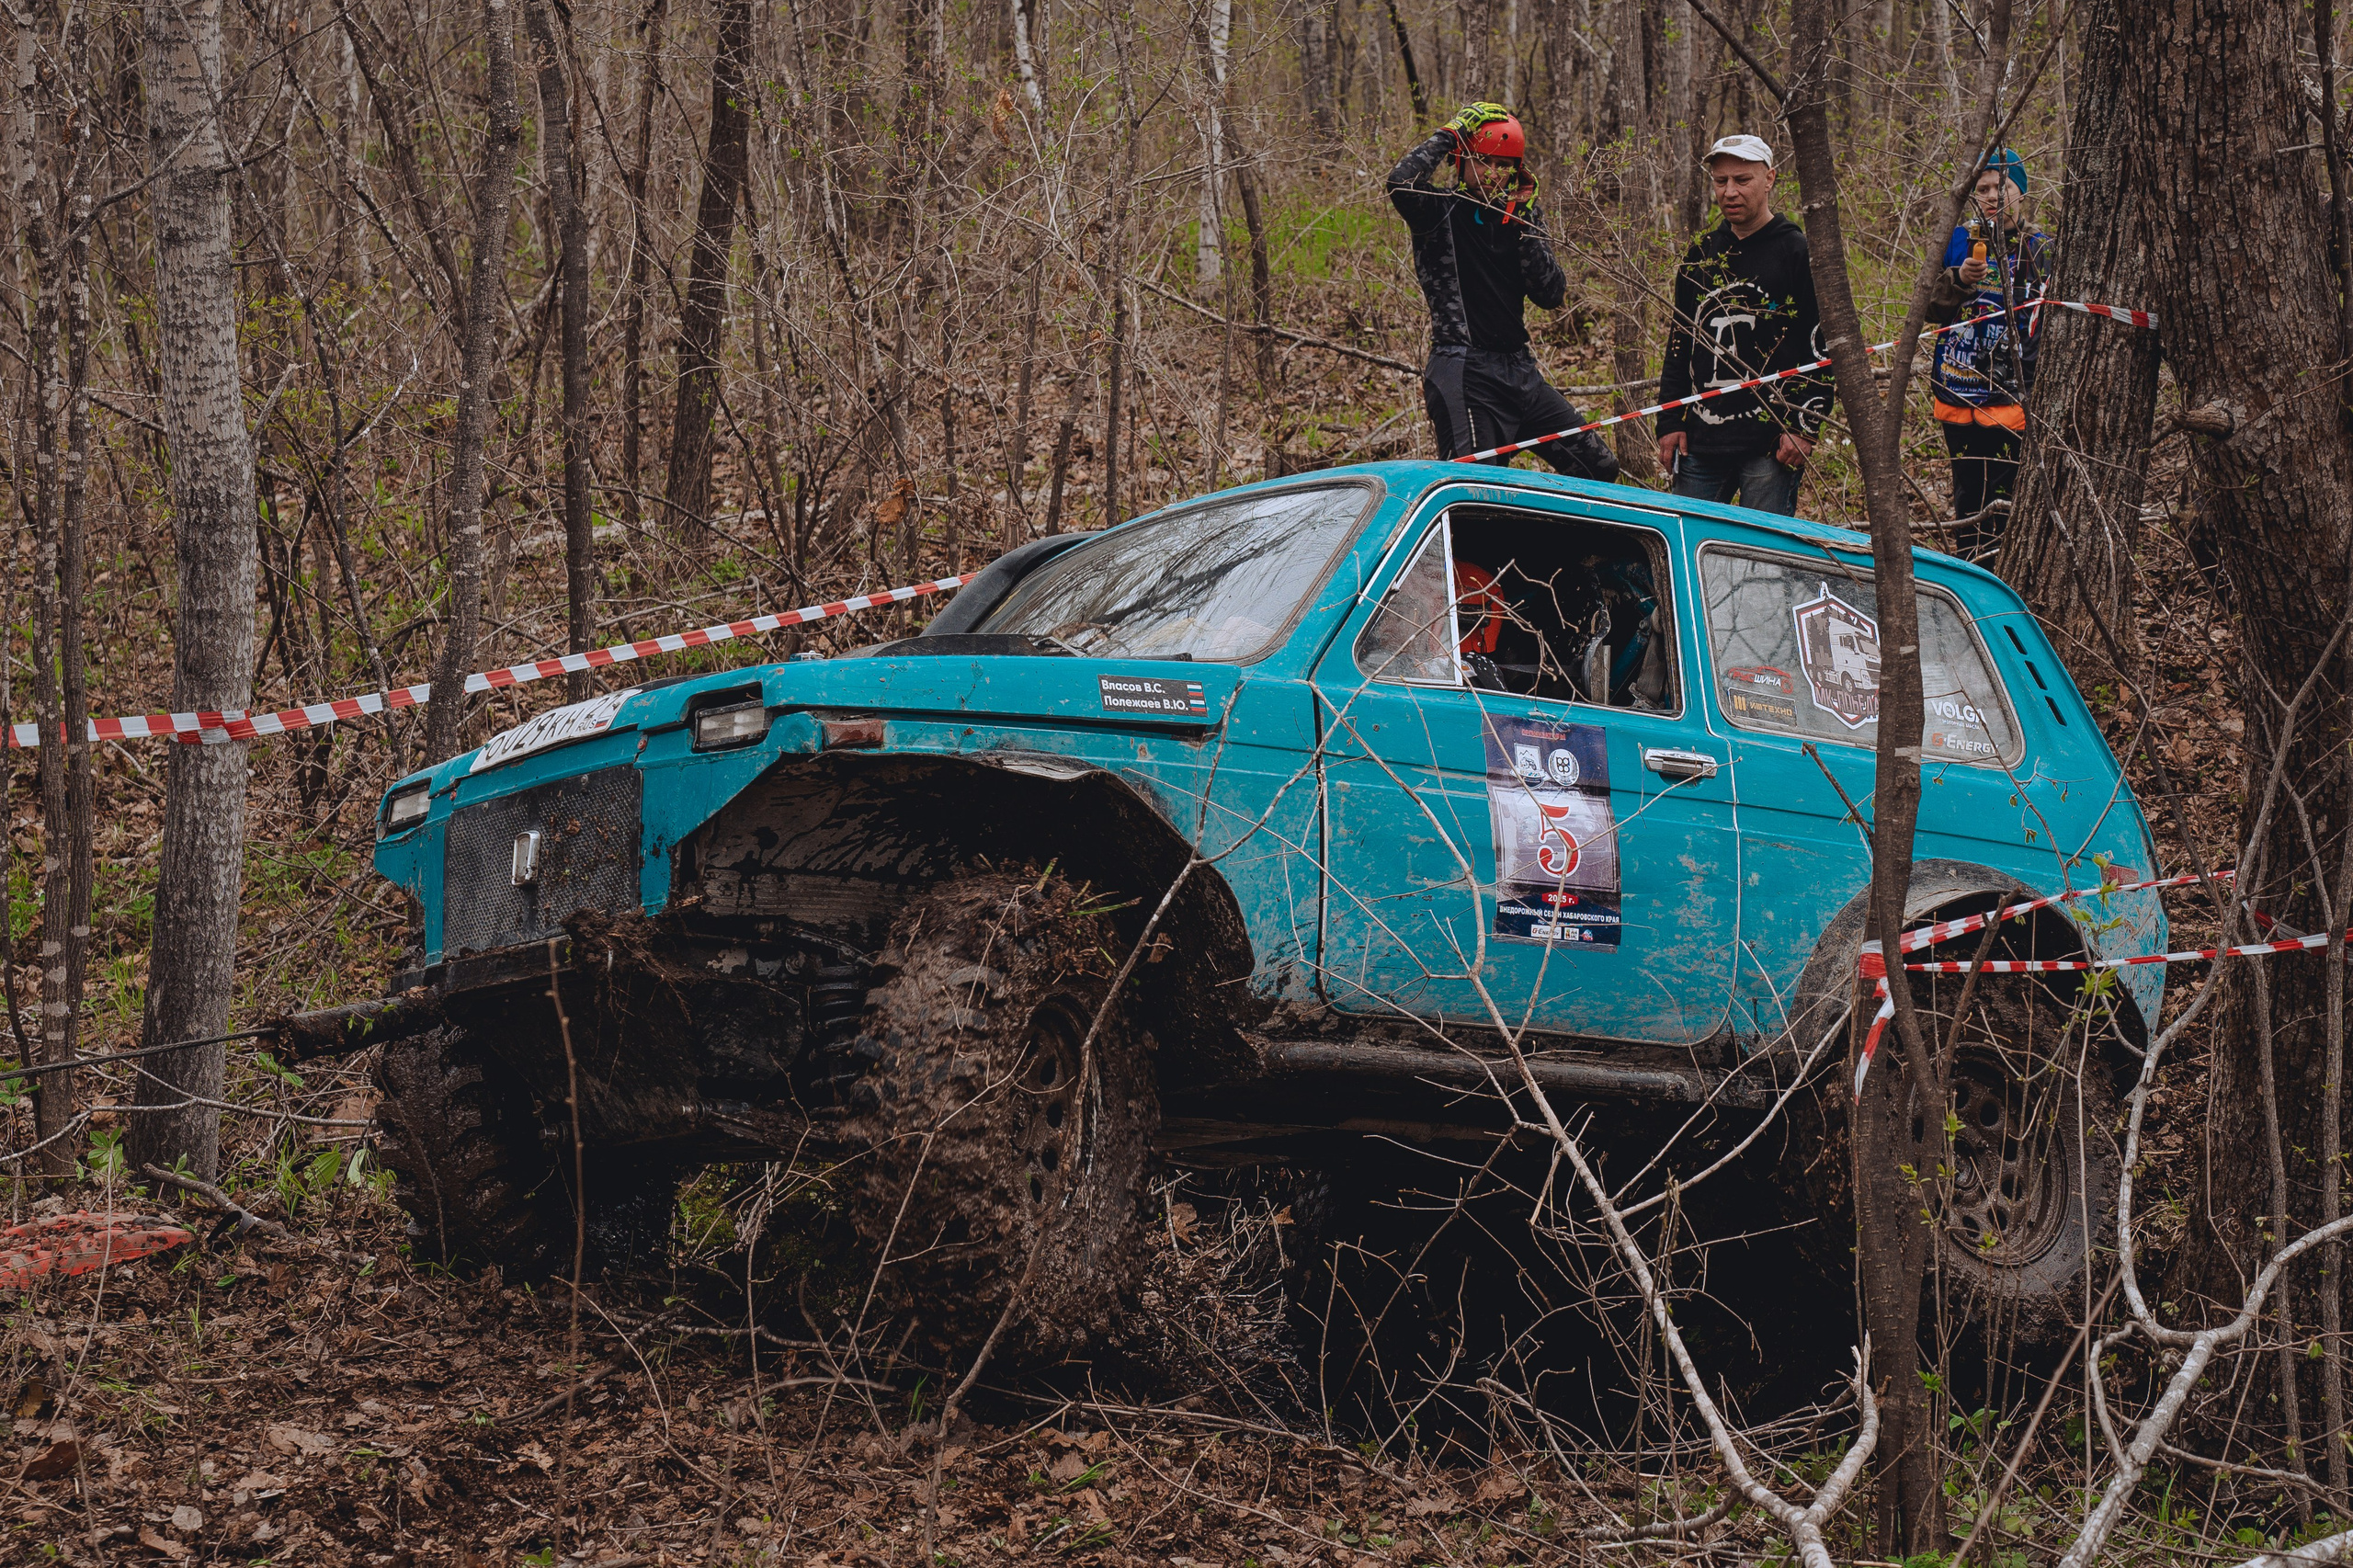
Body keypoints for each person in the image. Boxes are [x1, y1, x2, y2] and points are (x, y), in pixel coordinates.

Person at [1388, 103, 1619, 482]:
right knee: (1475, 490)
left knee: (1599, 467)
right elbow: (1400, 182)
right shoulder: (1437, 210)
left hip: (1520, 372)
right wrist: (1452, 134)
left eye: (1504, 165)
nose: (1494, 174)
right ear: (1462, 159)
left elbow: (1550, 293)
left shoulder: (1520, 214)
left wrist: (1524, 221)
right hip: (1463, 369)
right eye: (1484, 161)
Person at [1654, 135, 1830, 516]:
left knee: (1763, 560)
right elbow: (1679, 342)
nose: (1730, 192)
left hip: (1770, 445)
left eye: (1742, 180)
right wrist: (1669, 419)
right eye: (1721, 181)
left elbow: (1819, 345)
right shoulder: (1700, 254)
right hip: (1700, 442)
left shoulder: (1797, 251)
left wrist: (1804, 425)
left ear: (1769, 179)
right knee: (1685, 542)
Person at [1927, 147, 2052, 561]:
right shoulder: (1958, 240)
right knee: (1968, 501)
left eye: (2002, 186)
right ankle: (1970, 583)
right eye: (1983, 189)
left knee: (2005, 505)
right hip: (1956, 394)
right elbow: (1926, 308)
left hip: (2011, 401)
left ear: (2022, 191)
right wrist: (1958, 279)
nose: (1993, 196)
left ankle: (2001, 583)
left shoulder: (2042, 250)